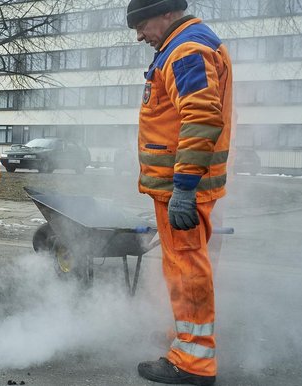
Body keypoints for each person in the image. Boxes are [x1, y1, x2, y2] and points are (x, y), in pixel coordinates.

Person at [126, 1, 233, 385]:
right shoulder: (185, 45)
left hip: (181, 188)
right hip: (179, 186)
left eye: (142, 24)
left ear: (167, 13)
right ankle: (184, 338)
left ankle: (193, 362)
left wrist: (184, 188)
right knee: (182, 268)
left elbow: (201, 115)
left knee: (187, 269)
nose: (139, 34)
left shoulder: (186, 50)